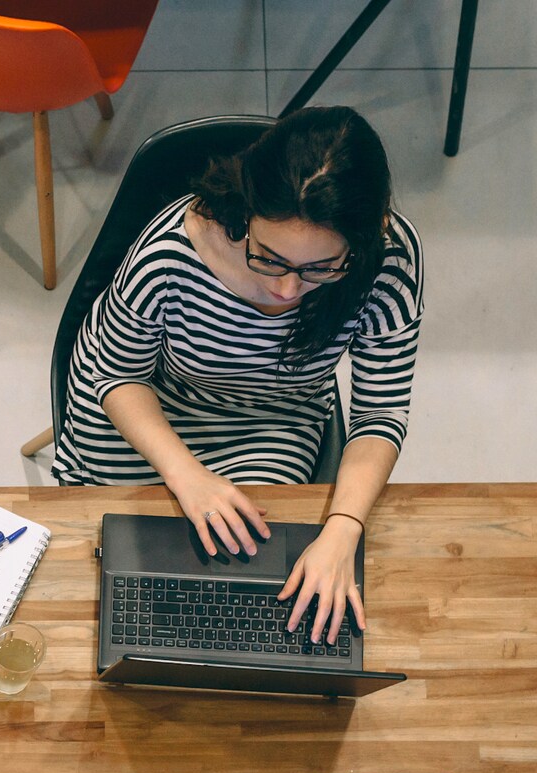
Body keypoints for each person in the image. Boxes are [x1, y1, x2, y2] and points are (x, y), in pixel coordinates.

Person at [54, 106, 423, 648]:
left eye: (322, 268)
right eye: (268, 259)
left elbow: (379, 411)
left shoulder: (389, 262)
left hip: (273, 421)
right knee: (121, 574)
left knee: (247, 591)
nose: (287, 292)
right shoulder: (173, 251)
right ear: (247, 212)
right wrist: (186, 475)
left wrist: (345, 527)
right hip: (151, 407)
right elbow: (114, 374)